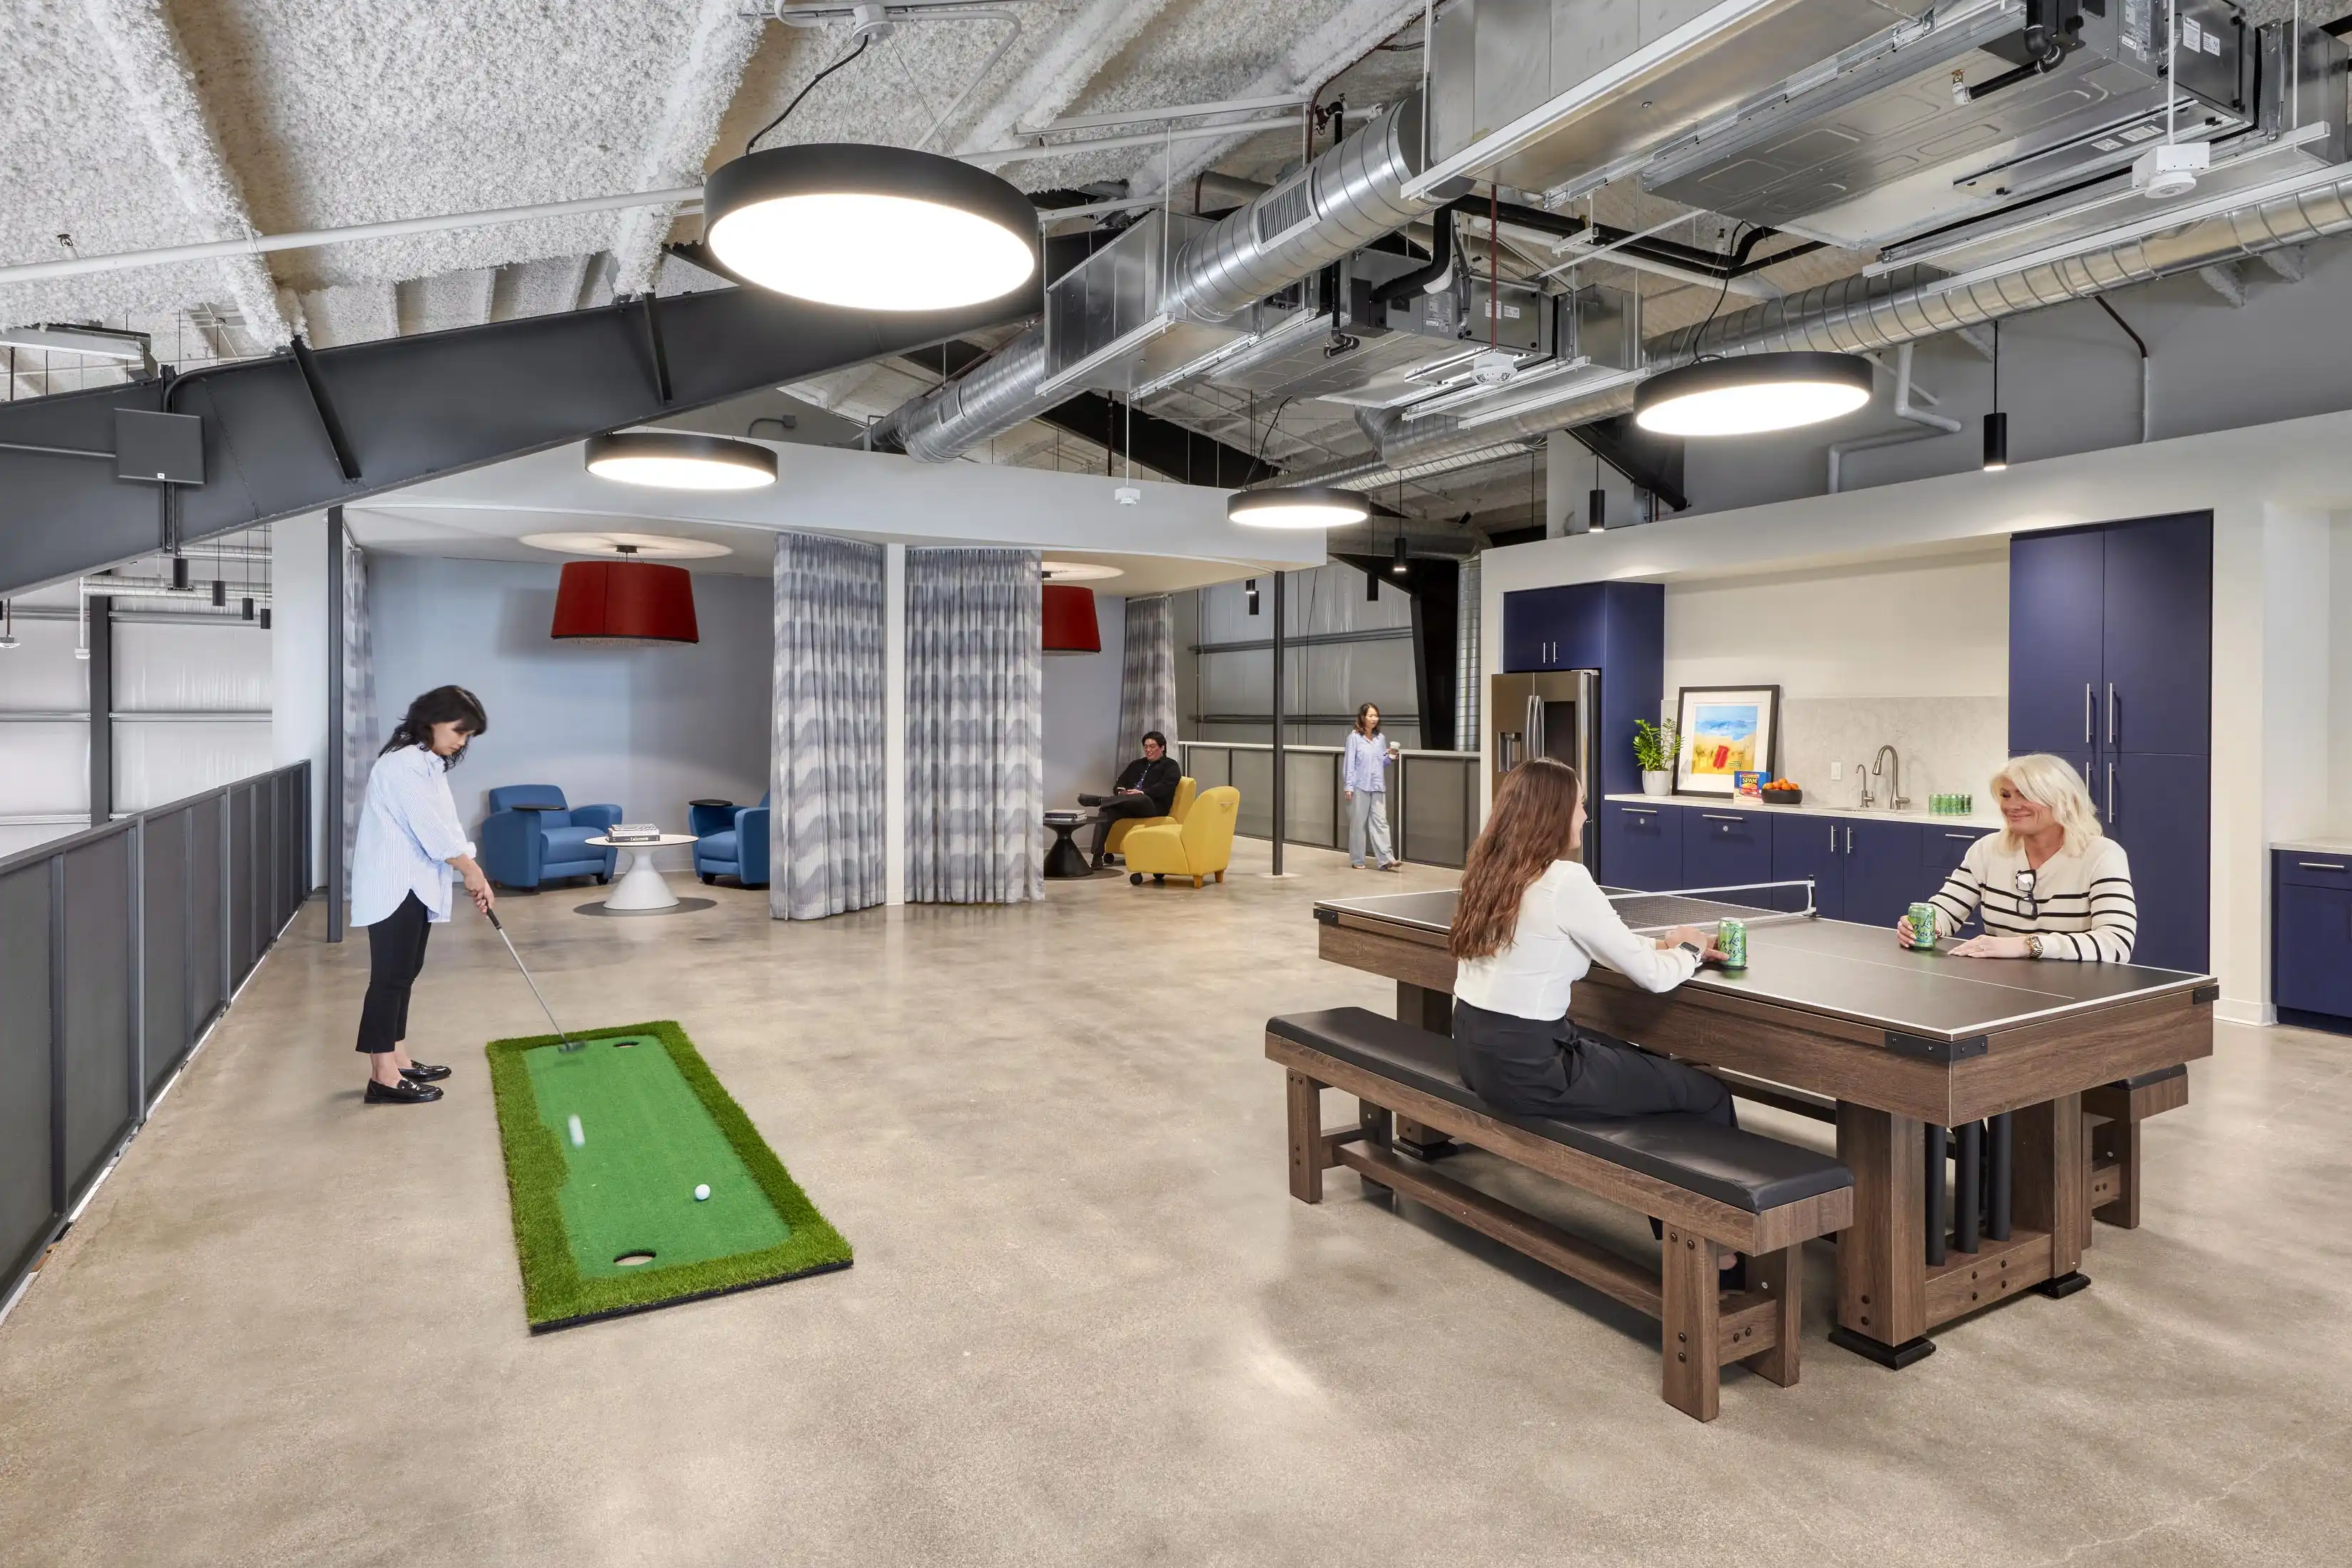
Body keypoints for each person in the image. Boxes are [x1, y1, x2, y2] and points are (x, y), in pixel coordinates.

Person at [1448, 758, 1733, 1127]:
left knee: (1639, 1058)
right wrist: (1691, 949)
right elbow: (1655, 979)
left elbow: (1578, 940)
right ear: (1553, 813)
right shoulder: (1565, 880)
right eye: (1579, 804)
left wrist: (1664, 947)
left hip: (1473, 1053)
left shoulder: (1489, 871)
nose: (1585, 815)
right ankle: (1709, 1183)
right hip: (1529, 1071)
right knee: (1709, 1092)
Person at [349, 686, 495, 1105]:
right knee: (389, 977)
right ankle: (382, 1076)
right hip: (393, 884)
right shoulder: (401, 766)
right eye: (459, 731)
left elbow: (447, 825)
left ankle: (398, 1057)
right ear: (431, 719)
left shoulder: (429, 764)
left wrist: (473, 868)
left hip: (416, 883)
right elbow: (430, 832)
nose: (461, 742)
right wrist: (469, 870)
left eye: (468, 736)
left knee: (406, 971)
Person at [1899, 753, 2136, 961]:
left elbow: (2116, 943)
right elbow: (1946, 909)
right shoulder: (1987, 850)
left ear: (2064, 801)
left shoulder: (2102, 855)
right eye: (2006, 795)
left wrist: (2026, 945)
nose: (2012, 805)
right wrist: (1925, 925)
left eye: (2024, 794)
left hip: (2076, 990)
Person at [1080, 730, 1181, 868]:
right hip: (1128, 804)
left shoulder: (1171, 765)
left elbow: (1166, 787)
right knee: (1106, 810)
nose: (1148, 750)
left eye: (1152, 746)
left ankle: (1100, 800)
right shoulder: (1136, 764)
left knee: (1140, 797)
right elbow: (1120, 782)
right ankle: (1097, 857)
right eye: (1145, 747)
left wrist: (1142, 792)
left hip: (1153, 806)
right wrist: (1120, 791)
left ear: (1162, 747)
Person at [1343, 702, 1403, 872]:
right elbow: (1349, 764)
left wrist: (1390, 757)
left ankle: (1386, 859)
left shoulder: (1380, 739)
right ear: (1363, 718)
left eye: (1376, 715)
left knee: (1381, 822)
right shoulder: (1354, 738)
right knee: (1358, 824)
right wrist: (1349, 786)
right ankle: (1357, 859)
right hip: (1359, 786)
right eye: (1370, 715)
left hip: (1377, 786)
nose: (1374, 719)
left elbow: (1380, 764)